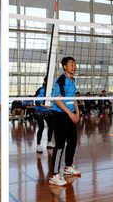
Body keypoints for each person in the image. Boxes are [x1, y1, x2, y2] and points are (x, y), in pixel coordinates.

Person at [49, 56, 81, 186]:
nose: (74, 66)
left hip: (71, 114)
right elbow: (57, 99)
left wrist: (77, 112)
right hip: (60, 115)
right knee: (60, 144)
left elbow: (73, 99)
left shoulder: (73, 80)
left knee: (72, 141)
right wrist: (69, 113)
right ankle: (54, 175)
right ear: (64, 66)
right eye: (71, 64)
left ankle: (68, 167)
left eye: (75, 64)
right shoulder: (60, 80)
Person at [33, 77, 53, 153]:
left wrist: (51, 106)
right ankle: (38, 145)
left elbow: (54, 100)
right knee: (41, 127)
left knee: (51, 126)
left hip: (48, 111)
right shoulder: (40, 90)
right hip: (39, 110)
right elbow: (36, 101)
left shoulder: (52, 90)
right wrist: (44, 106)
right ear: (44, 82)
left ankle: (49, 142)